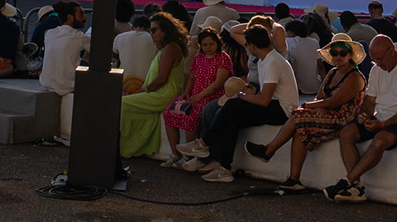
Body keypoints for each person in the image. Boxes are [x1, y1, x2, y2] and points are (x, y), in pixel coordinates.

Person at [247, 33, 367, 192]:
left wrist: (309, 106)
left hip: (343, 118)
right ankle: (293, 179)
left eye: (342, 53)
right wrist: (316, 106)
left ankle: (269, 150)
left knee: (298, 115)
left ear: (350, 55)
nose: (338, 57)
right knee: (300, 129)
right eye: (334, 53)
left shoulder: (354, 77)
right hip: (328, 114)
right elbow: (321, 97)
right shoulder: (332, 73)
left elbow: (334, 102)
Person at [180, 23, 300, 182]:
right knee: (233, 120)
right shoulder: (264, 60)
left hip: (283, 110)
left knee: (232, 104)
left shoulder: (272, 62)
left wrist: (241, 96)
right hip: (274, 104)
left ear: (253, 45)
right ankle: (224, 168)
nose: (247, 47)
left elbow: (264, 100)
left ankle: (203, 143)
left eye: (247, 44)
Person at [325, 35, 397, 202]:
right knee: (347, 133)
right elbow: (370, 101)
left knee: (380, 139)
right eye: (375, 60)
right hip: (382, 119)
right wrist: (364, 115)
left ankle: (347, 181)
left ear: (391, 51)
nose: (378, 64)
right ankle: (355, 187)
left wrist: (383, 124)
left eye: (380, 59)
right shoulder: (376, 69)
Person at [119, 14, 188, 158]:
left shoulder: (170, 48)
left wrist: (141, 91)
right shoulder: (167, 48)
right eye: (151, 30)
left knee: (121, 104)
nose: (151, 34)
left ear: (165, 31)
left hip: (164, 94)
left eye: (154, 30)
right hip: (161, 93)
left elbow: (161, 79)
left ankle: (124, 146)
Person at [163, 25, 233, 154]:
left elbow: (218, 84)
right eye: (205, 45)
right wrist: (187, 92)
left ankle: (189, 154)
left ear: (217, 43)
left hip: (211, 96)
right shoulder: (198, 57)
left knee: (192, 117)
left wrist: (199, 96)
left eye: (211, 44)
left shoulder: (223, 58)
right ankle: (175, 154)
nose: (208, 47)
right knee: (169, 112)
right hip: (194, 95)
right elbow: (191, 77)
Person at [38, 0, 90, 97]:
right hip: (69, 85)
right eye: (81, 14)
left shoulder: (49, 34)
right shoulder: (79, 37)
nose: (85, 18)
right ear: (70, 17)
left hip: (46, 82)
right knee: (90, 53)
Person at [114, 0, 159, 83]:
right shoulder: (155, 40)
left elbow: (114, 54)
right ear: (149, 29)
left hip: (123, 82)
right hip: (147, 82)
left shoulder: (120, 37)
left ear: (132, 28)